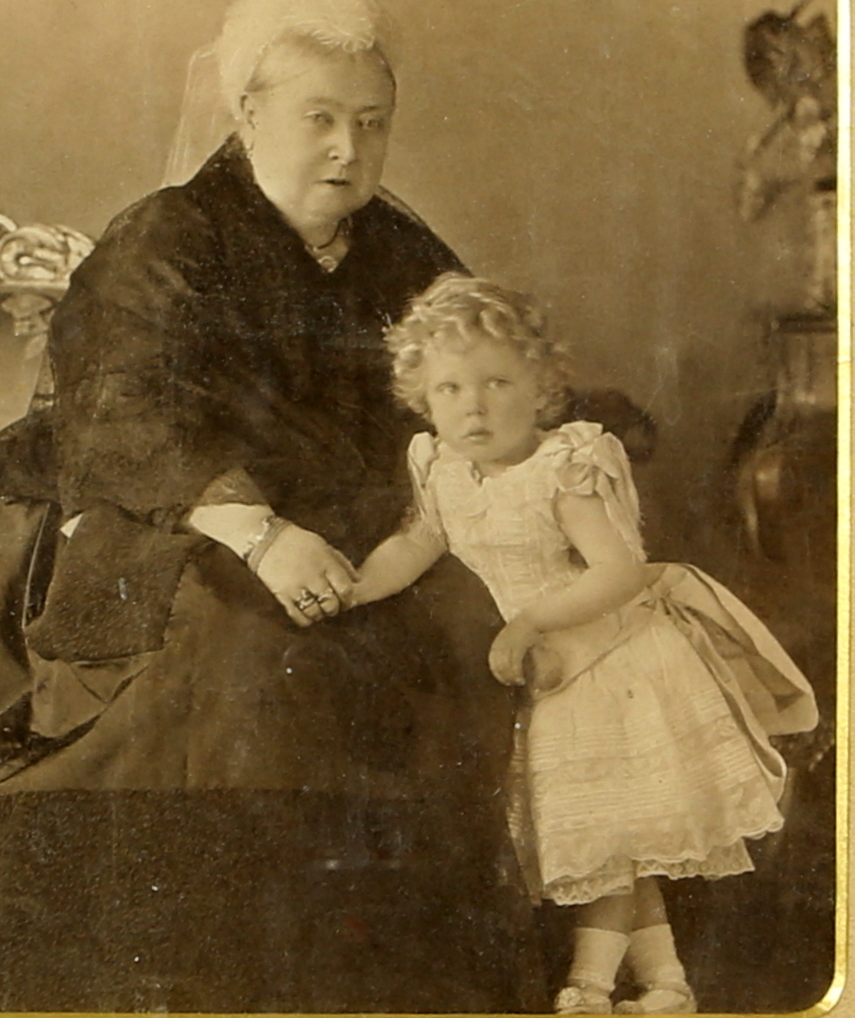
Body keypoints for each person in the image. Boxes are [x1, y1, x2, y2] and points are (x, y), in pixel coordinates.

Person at [0, 0, 541, 1013]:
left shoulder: (399, 248)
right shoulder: (165, 234)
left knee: (458, 626)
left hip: (362, 525)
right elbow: (121, 414)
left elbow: (469, 375)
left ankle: (381, 960)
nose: (349, 147)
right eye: (320, 118)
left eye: (371, 122)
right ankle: (229, 957)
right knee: (243, 648)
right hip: (158, 514)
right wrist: (260, 532)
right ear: (248, 114)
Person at [346, 274, 819, 1015]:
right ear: (422, 399)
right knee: (614, 842)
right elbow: (415, 544)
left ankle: (590, 986)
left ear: (540, 386)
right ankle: (667, 986)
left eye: (497, 381)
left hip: (617, 663)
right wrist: (351, 588)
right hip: (555, 677)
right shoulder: (442, 472)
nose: (473, 405)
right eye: (450, 390)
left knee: (608, 842)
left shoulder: (563, 466)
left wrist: (531, 621)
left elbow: (619, 571)